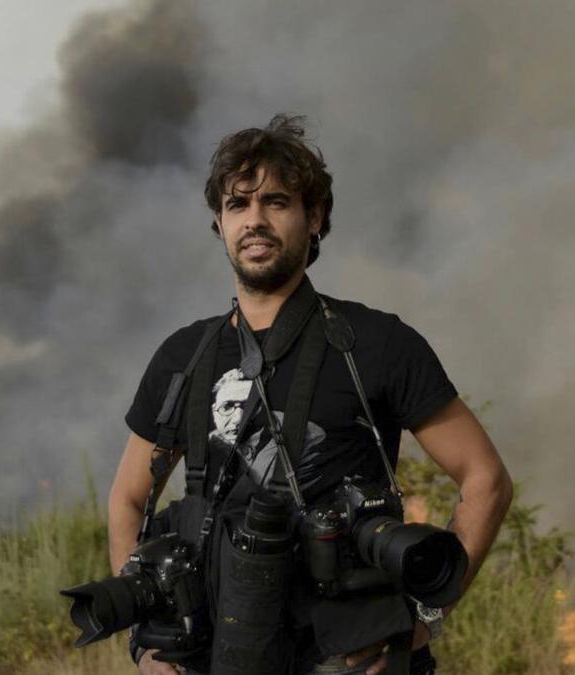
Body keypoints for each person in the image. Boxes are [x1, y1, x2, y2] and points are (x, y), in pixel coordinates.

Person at [107, 114, 513, 675]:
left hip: (345, 659)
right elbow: (129, 499)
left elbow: (485, 478)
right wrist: (144, 640)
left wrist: (422, 617)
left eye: (276, 201)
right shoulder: (183, 358)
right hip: (210, 655)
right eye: (237, 205)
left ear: (314, 216)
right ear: (219, 225)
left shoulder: (377, 344)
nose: (254, 220)